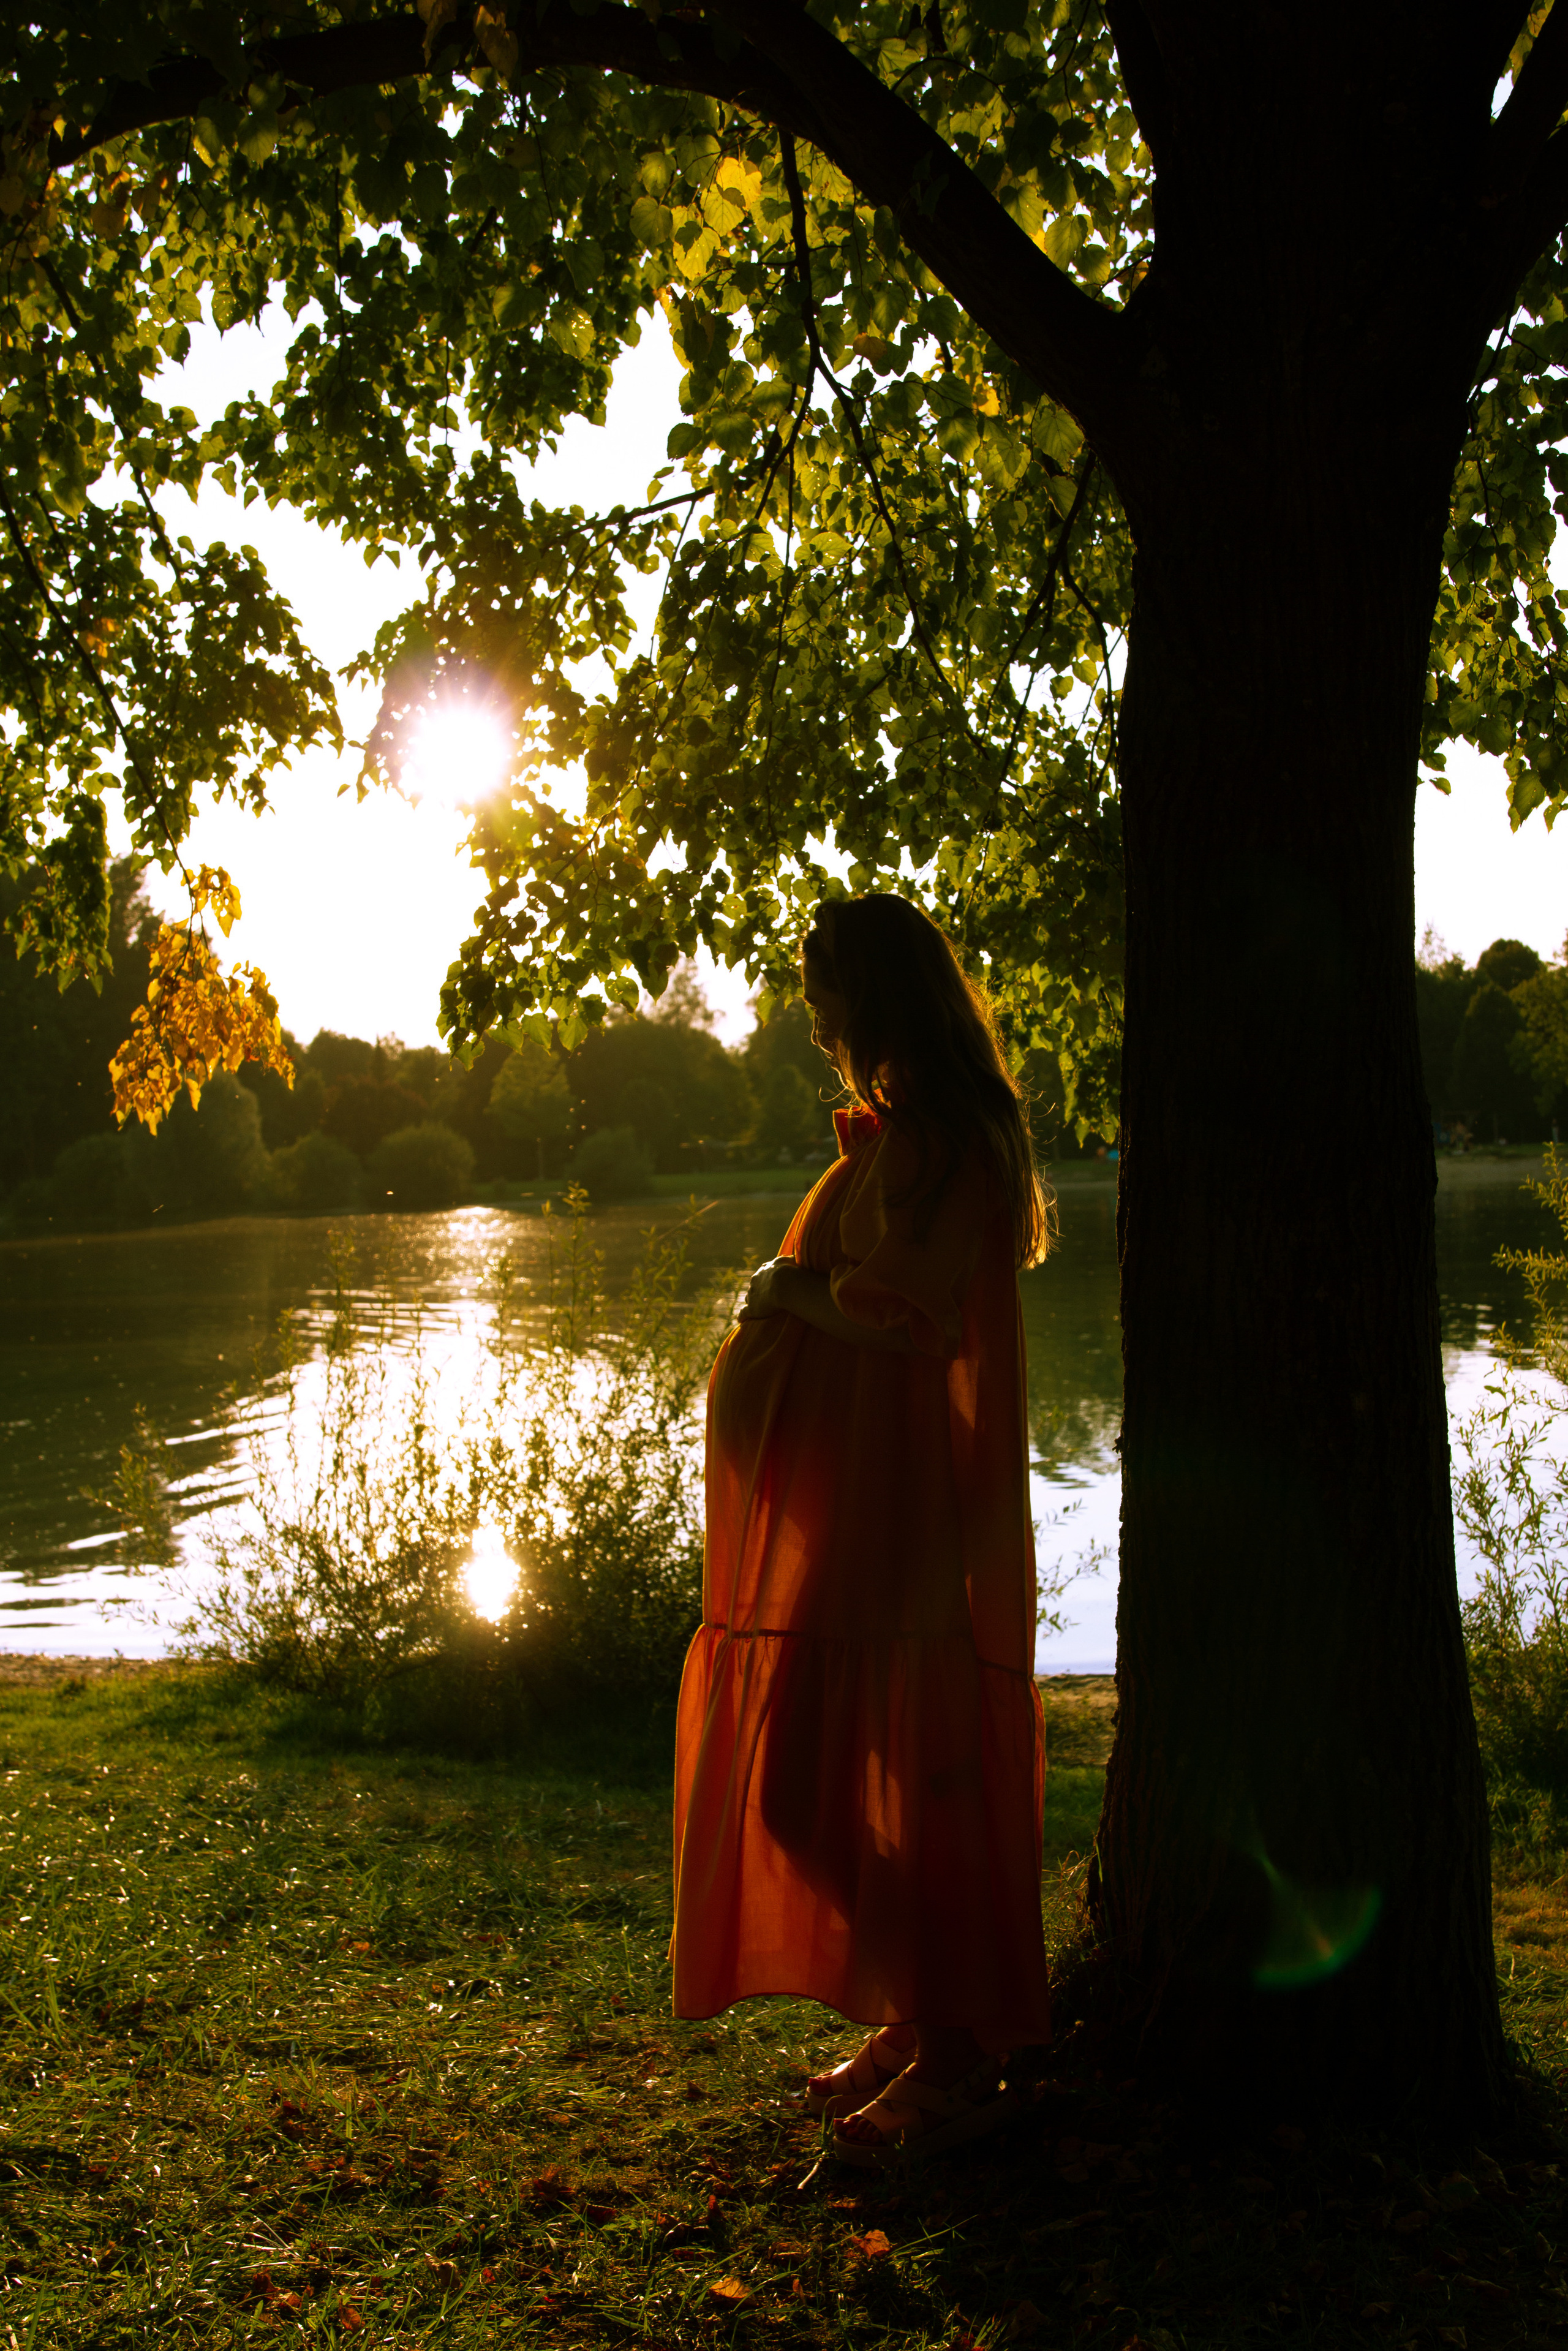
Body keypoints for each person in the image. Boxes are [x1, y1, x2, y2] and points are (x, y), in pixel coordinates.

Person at [670, 892, 1054, 2165]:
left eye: (819, 984)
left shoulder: (941, 1137)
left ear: (873, 994)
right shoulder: (913, 1130)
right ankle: (919, 2011)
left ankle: (950, 2041)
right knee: (846, 1771)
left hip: (901, 1507)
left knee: (814, 1781)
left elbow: (909, 1317)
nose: (807, 1009)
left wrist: (786, 1289)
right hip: (861, 1499)